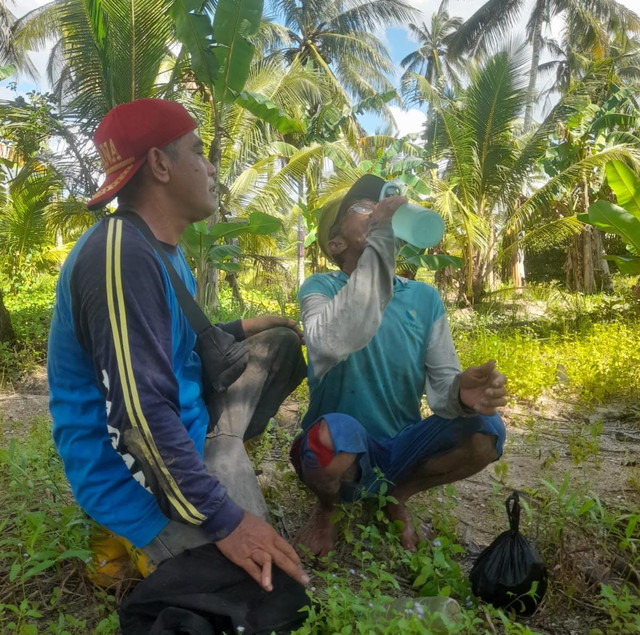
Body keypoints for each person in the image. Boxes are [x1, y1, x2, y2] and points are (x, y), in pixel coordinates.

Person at [47, 99, 309, 619]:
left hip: (183, 427)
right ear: (160, 166)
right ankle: (134, 533)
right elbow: (139, 417)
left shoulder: (159, 246)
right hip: (129, 471)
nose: (211, 167)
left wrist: (248, 326)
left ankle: (217, 451)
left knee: (279, 347)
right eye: (197, 152)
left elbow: (173, 346)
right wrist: (224, 519)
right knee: (274, 597)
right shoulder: (119, 256)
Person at [291, 174, 508, 557]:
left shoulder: (424, 298)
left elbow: (442, 392)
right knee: (329, 441)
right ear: (336, 242)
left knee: (485, 431)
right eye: (363, 207)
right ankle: (328, 509)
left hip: (400, 447)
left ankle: (396, 495)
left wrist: (459, 391)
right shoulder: (321, 288)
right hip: (344, 444)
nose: (378, 210)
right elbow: (330, 341)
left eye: (382, 203)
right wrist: (380, 237)